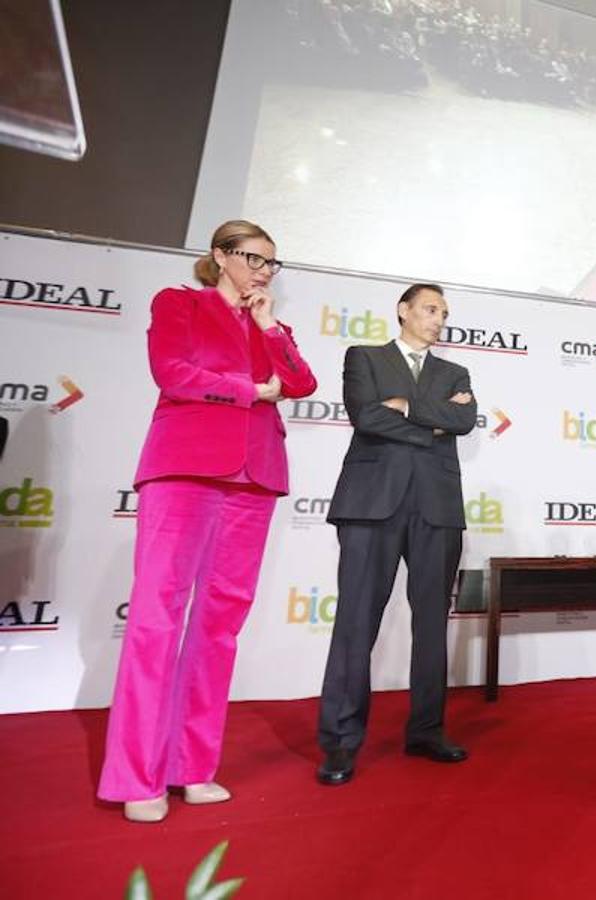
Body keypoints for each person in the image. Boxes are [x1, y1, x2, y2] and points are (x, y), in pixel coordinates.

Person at [97, 219, 317, 822]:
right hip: (185, 470)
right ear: (219, 256)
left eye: (272, 263)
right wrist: (249, 390)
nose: (262, 271)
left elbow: (301, 382)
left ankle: (192, 767)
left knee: (219, 625)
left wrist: (269, 326)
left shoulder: (273, 325)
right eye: (252, 258)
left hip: (255, 478)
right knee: (155, 620)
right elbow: (173, 373)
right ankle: (137, 776)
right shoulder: (180, 304)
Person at [316, 283, 476, 785]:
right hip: (371, 504)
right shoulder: (363, 357)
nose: (438, 319)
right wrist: (433, 422)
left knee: (431, 625)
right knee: (355, 623)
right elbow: (365, 414)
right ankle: (340, 742)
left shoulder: (456, 372)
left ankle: (426, 730)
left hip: (436, 507)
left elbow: (464, 420)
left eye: (444, 313)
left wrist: (406, 408)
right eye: (430, 309)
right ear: (403, 311)